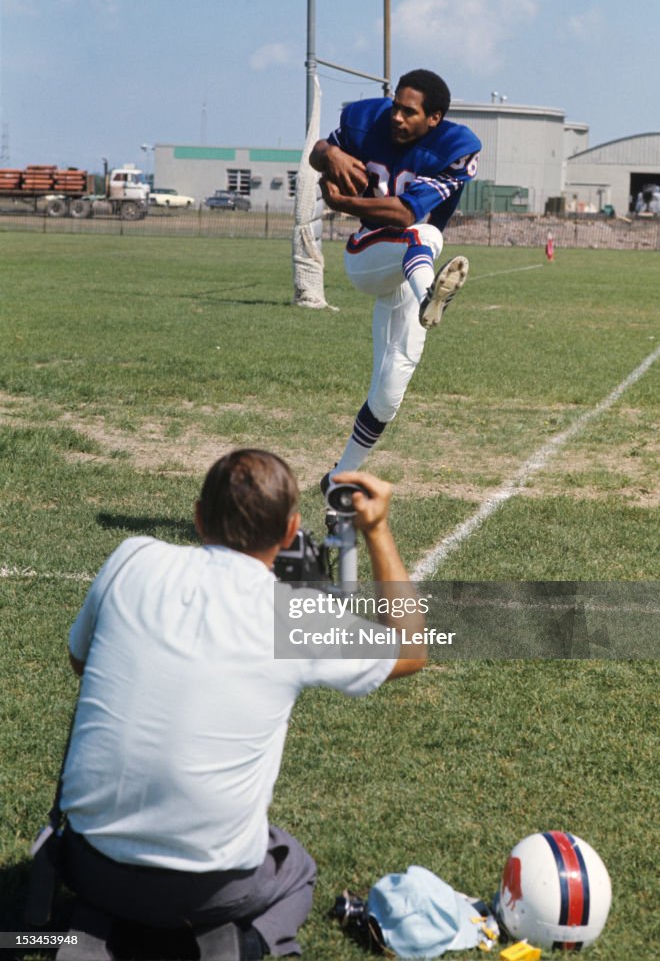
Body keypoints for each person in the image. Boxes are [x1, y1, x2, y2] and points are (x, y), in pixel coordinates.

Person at [59, 449, 426, 959]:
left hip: (85, 862)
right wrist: (378, 531)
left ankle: (73, 935)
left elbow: (82, 663)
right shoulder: (291, 615)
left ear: (198, 516)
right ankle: (231, 947)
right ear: (291, 528)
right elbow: (411, 648)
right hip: (206, 888)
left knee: (116, 889)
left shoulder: (131, 558)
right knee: (295, 867)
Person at [310, 69, 481, 484]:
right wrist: (327, 154)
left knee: (389, 392)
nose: (397, 118)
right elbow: (319, 154)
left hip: (409, 263)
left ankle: (339, 479)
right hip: (370, 255)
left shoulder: (456, 148)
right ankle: (431, 297)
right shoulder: (366, 120)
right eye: (396, 107)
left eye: (410, 112)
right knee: (425, 234)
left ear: (434, 119)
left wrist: (344, 201)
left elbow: (405, 210)